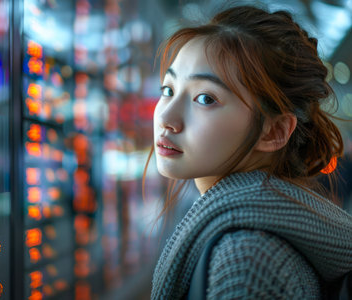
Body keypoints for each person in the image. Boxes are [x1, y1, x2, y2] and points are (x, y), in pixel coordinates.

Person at [148, 5, 352, 299]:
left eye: (205, 98)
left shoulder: (246, 263)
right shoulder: (264, 230)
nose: (166, 118)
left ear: (274, 132)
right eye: (167, 90)